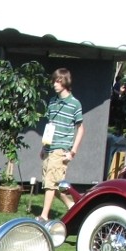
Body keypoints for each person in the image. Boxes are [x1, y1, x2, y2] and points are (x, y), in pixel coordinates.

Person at [39, 67, 84, 221]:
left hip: (62, 148)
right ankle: (72, 205)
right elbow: (50, 125)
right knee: (52, 182)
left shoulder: (74, 104)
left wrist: (72, 152)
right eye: (54, 81)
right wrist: (44, 146)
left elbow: (81, 129)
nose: (55, 85)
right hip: (49, 147)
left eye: (58, 81)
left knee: (51, 183)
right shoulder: (52, 102)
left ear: (65, 82)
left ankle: (44, 216)